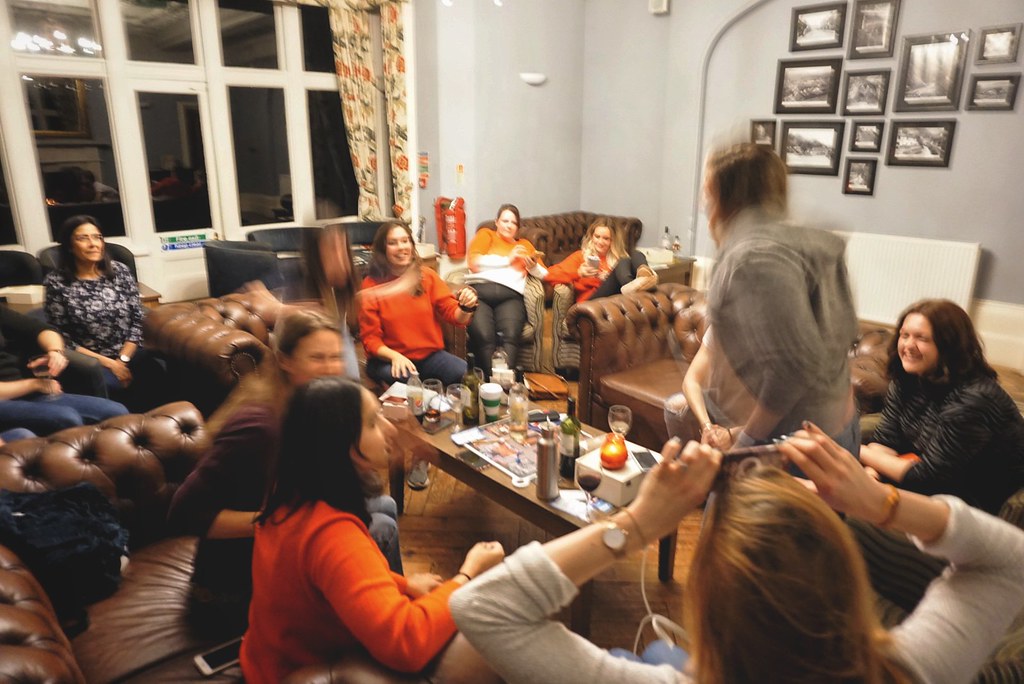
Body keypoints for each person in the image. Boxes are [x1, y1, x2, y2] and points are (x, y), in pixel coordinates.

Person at [450, 428, 1024, 684]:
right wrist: (883, 503)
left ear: (709, 605)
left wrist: (638, 521)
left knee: (656, 654)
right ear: (845, 577)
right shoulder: (919, 669)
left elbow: (483, 608)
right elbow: (1008, 559)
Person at [241, 377, 505, 683]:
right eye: (372, 422)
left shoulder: (290, 496)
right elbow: (406, 643)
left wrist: (402, 585)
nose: (389, 429)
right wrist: (468, 575)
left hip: (263, 662)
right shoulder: (332, 534)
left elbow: (333, 579)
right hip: (297, 673)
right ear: (340, 443)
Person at [167, 310, 382, 639]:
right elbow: (184, 512)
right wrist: (282, 520)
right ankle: (380, 628)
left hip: (270, 559)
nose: (331, 368)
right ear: (285, 361)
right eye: (317, 358)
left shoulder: (306, 407)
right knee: (380, 526)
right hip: (231, 590)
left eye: (336, 357)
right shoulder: (261, 426)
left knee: (382, 508)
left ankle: (382, 611)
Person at [702, 143, 859, 453]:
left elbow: (792, 370)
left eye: (707, 189)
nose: (702, 200)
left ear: (724, 193)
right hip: (836, 428)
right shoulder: (809, 243)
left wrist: (746, 442)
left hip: (791, 443)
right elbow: (844, 336)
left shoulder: (754, 257)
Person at [859, 299, 1024, 515]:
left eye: (922, 338)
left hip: (975, 502)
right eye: (904, 335)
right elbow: (885, 440)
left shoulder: (974, 399)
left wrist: (856, 449)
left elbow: (927, 478)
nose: (908, 345)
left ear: (949, 346)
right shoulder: (906, 380)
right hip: (926, 479)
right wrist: (871, 476)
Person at [44, 215, 165, 411]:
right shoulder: (56, 282)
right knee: (109, 384)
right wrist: (110, 364)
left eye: (97, 237)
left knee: (155, 372)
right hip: (91, 360)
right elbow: (60, 336)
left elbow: (137, 319)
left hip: (129, 353)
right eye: (83, 238)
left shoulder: (120, 272)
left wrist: (122, 360)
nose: (93, 244)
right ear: (69, 246)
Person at [360, 222, 477, 387]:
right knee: (408, 380)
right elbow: (370, 340)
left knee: (467, 374)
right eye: (393, 243)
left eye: (405, 240)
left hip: (430, 356)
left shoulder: (427, 277)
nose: (401, 247)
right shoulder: (371, 284)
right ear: (382, 250)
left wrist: (466, 307)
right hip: (387, 360)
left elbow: (456, 316)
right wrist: (395, 357)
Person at [0, 305, 127, 435]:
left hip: (29, 393)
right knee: (67, 418)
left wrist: (55, 351)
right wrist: (34, 385)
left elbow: (43, 330)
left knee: (117, 412)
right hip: (6, 400)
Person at [464, 204, 547, 377]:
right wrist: (508, 259)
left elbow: (544, 273)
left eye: (513, 223)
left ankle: (504, 383)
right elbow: (474, 261)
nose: (509, 225)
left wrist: (532, 267)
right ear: (497, 222)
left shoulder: (524, 245)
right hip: (481, 293)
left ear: (518, 228)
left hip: (510, 296)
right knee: (485, 336)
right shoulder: (486, 235)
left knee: (510, 336)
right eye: (505, 221)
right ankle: (490, 382)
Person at [545, 218, 658, 302]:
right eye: (597, 237)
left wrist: (608, 276)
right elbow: (549, 274)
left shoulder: (618, 257)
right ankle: (639, 284)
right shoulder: (581, 256)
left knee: (635, 254)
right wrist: (579, 273)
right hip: (591, 301)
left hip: (616, 300)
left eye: (606, 239)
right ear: (591, 236)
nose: (600, 242)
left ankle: (644, 276)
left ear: (613, 241)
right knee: (623, 262)